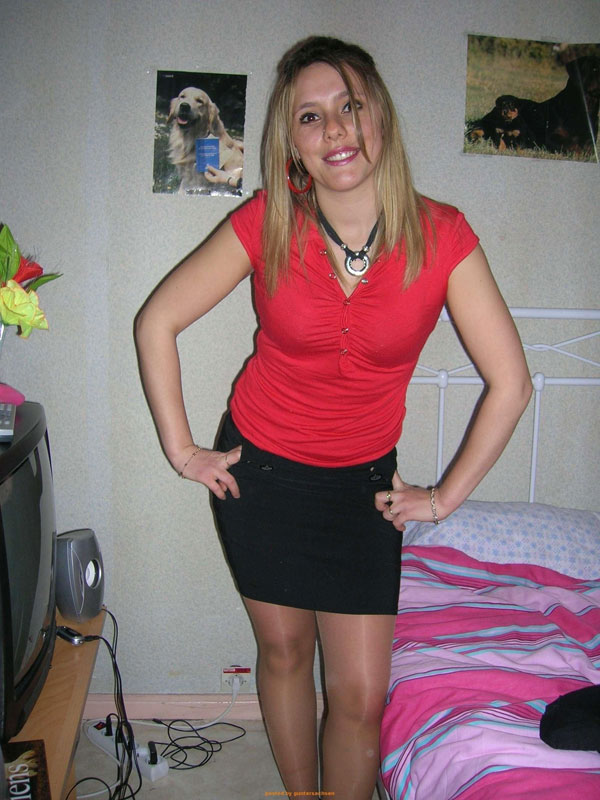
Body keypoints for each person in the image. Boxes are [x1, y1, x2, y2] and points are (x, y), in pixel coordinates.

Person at [135, 36, 532, 800]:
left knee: (359, 695)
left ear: (379, 115)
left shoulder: (442, 234)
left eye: (349, 106)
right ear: (293, 143)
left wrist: (442, 499)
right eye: (310, 117)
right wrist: (183, 450)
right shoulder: (268, 221)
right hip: (260, 475)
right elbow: (158, 321)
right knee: (284, 655)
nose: (335, 130)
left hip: (361, 490)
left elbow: (510, 383)